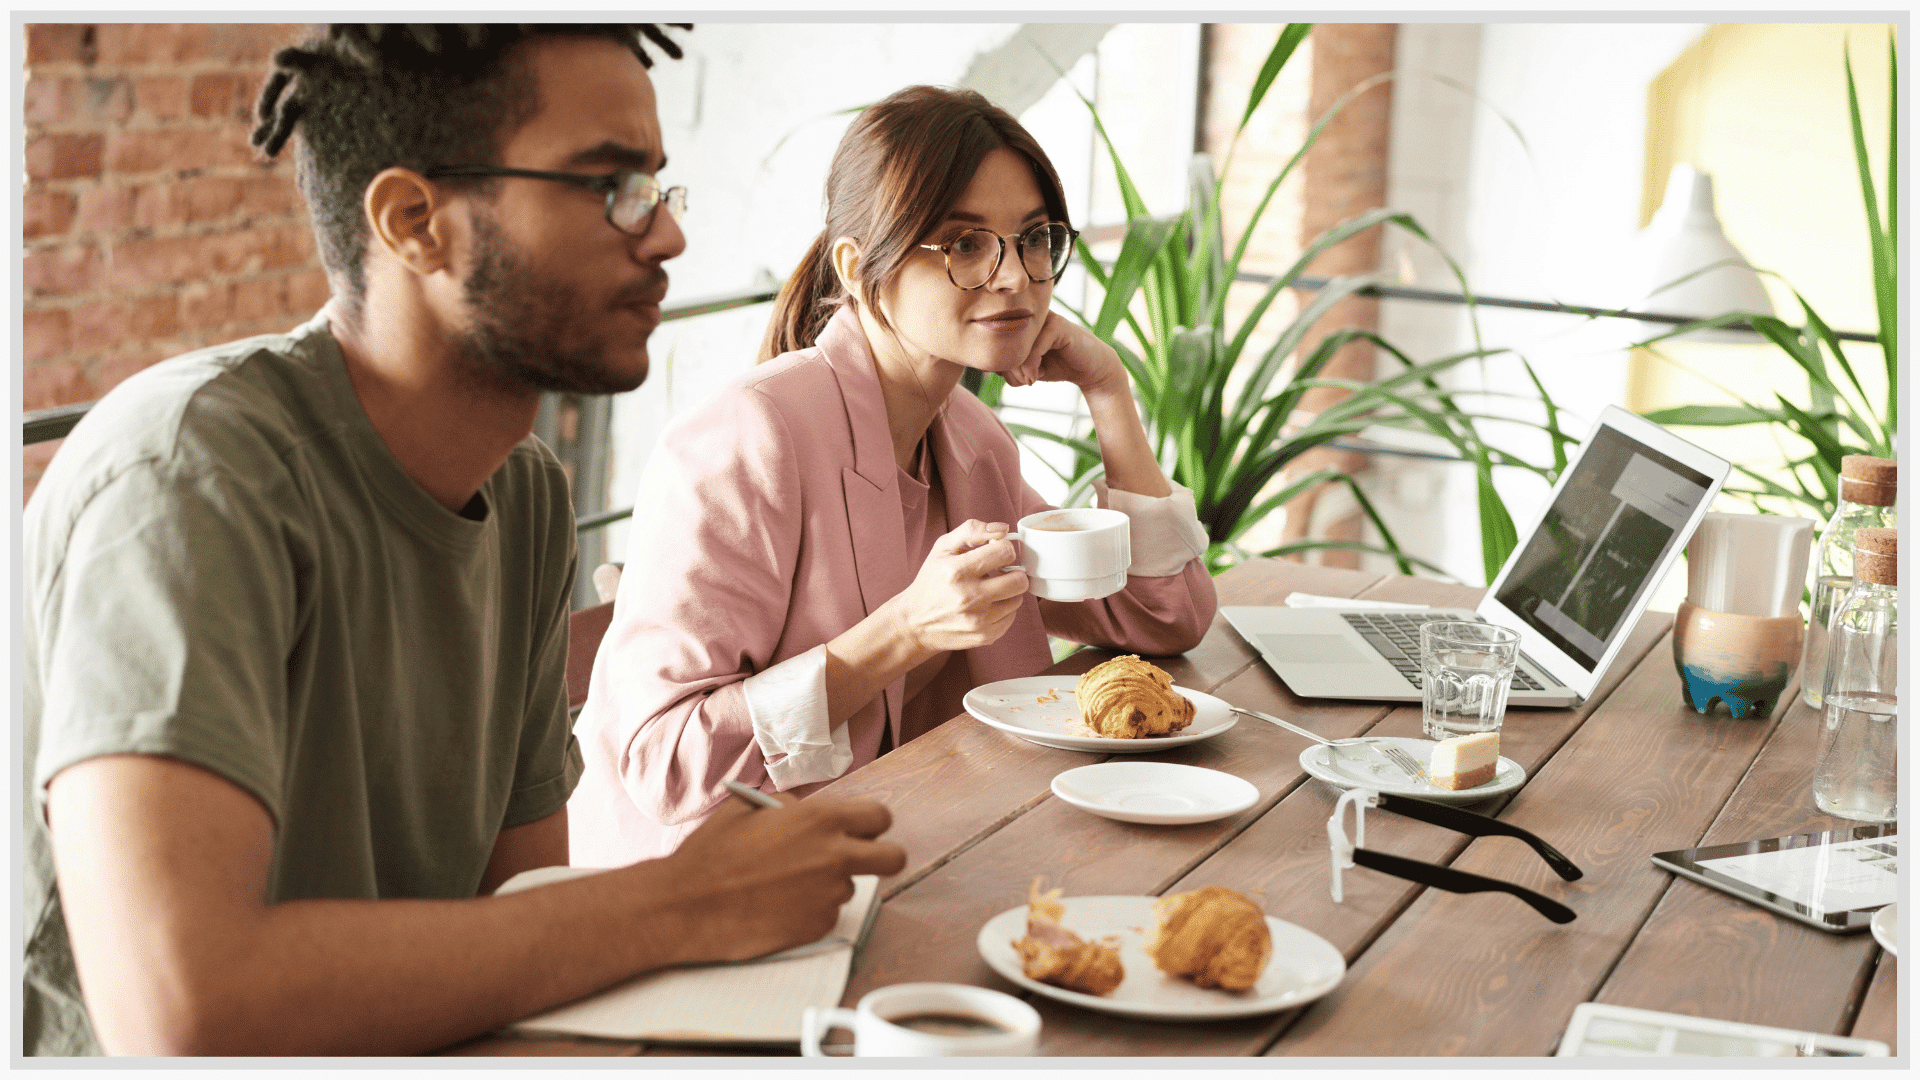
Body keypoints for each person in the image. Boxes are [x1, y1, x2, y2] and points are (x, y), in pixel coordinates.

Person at [21, 23, 903, 1057]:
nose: (666, 237)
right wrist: (681, 903)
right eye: (609, 185)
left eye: (659, 187)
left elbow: (517, 903)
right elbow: (183, 1008)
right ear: (413, 221)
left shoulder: (523, 495)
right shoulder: (191, 477)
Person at [570, 85, 1218, 865]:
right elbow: (668, 763)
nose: (1016, 276)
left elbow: (1165, 620)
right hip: (704, 895)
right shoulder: (748, 436)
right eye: (967, 244)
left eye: (1034, 238)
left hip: (908, 848)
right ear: (857, 266)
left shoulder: (973, 445)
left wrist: (1109, 392)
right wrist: (905, 630)